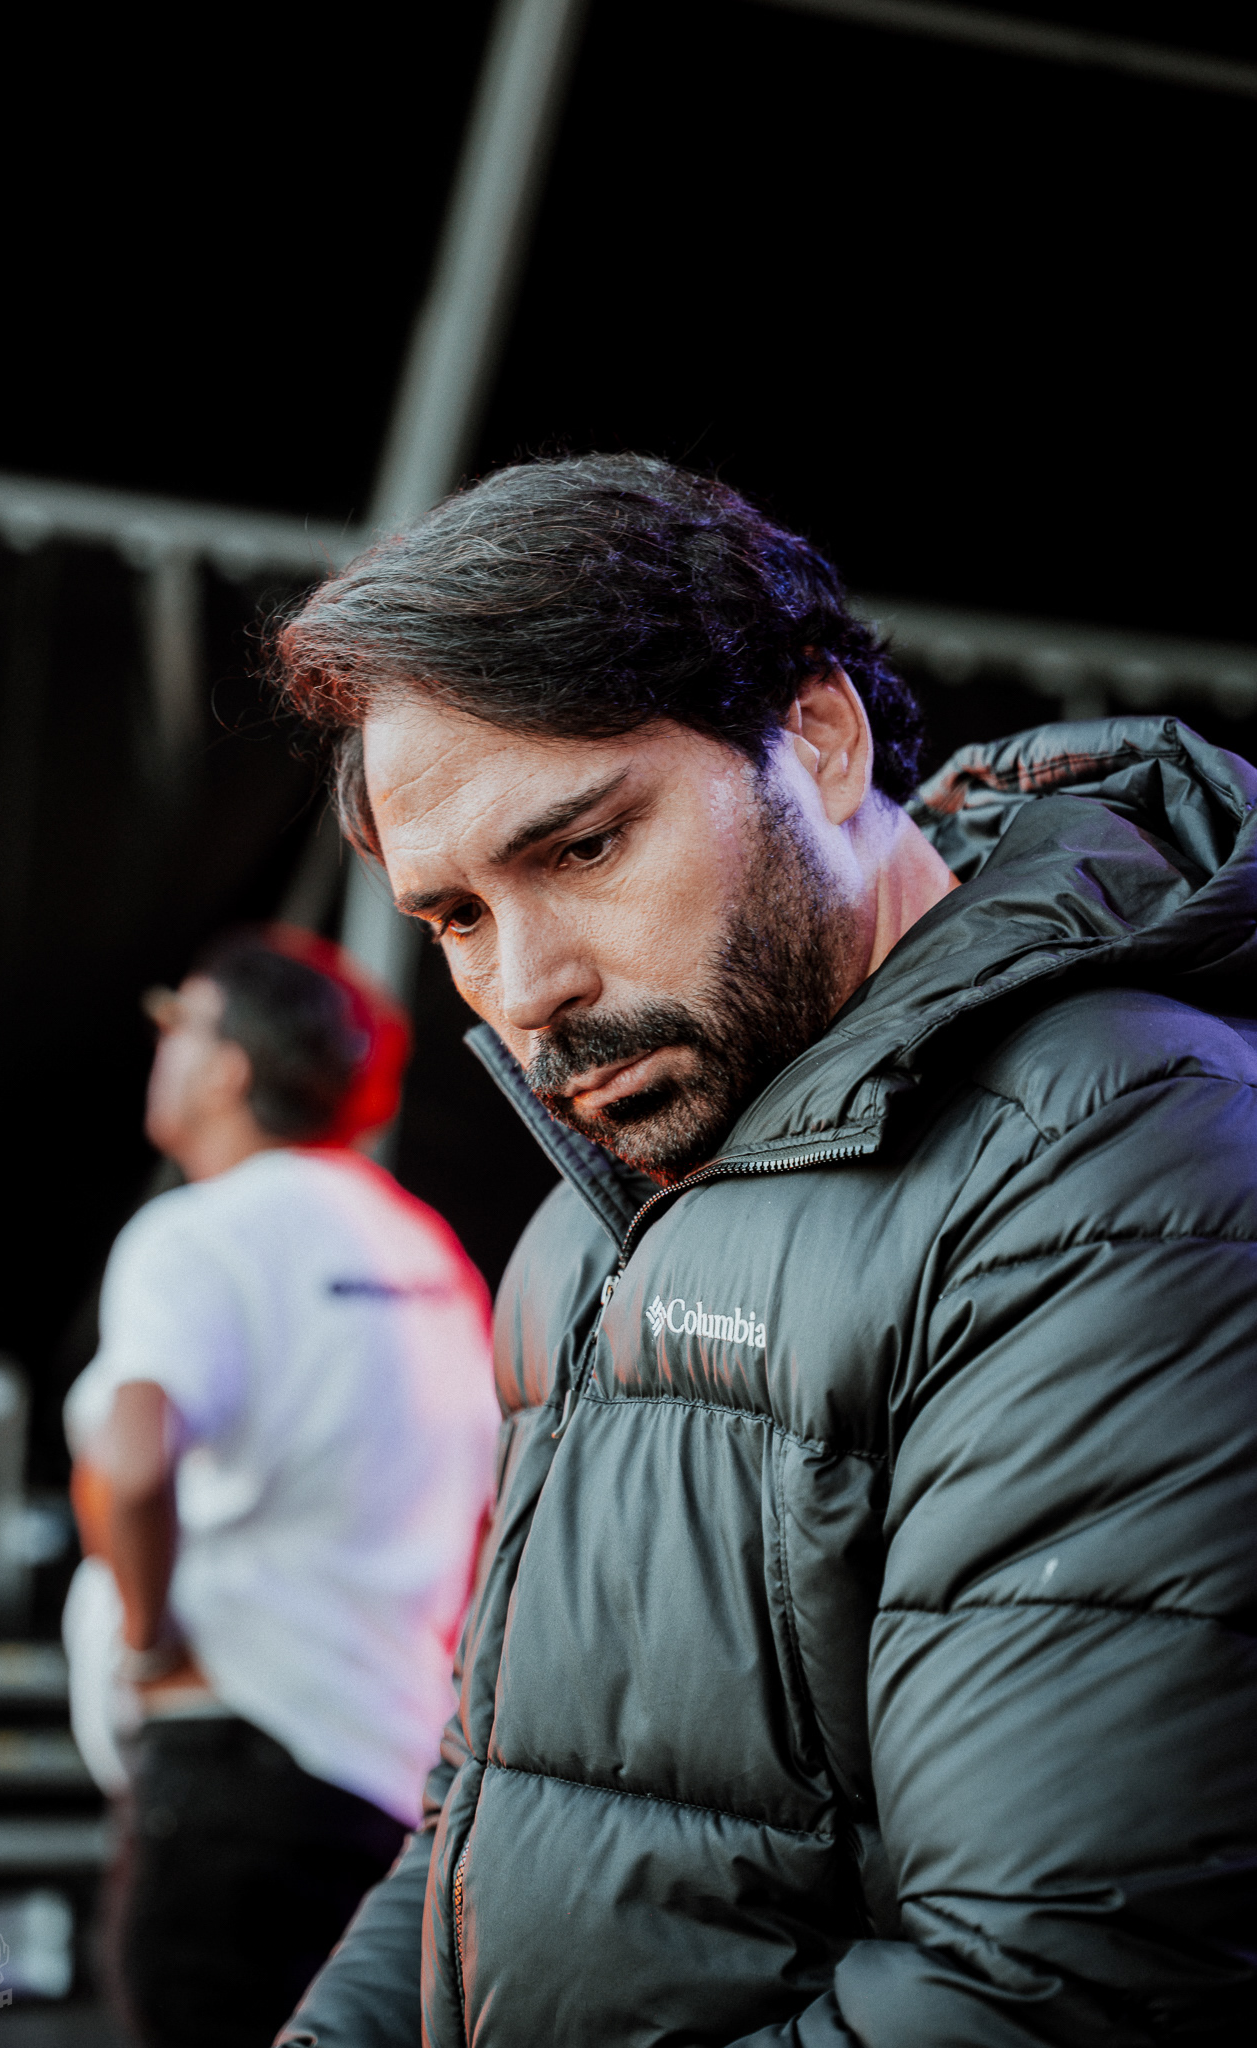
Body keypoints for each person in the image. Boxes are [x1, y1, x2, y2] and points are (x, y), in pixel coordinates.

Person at [269, 455, 1257, 2047]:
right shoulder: (595, 1214)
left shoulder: (1115, 1160)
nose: (525, 989)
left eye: (583, 848)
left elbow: (1046, 1985)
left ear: (818, 736)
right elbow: (493, 1800)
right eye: (454, 918)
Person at [62, 924, 499, 2048]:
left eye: (179, 1024)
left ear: (228, 1067)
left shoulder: (195, 1233)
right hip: (400, 1781)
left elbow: (131, 1460)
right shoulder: (427, 1251)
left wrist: (148, 1647)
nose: (160, 1049)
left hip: (234, 1756)